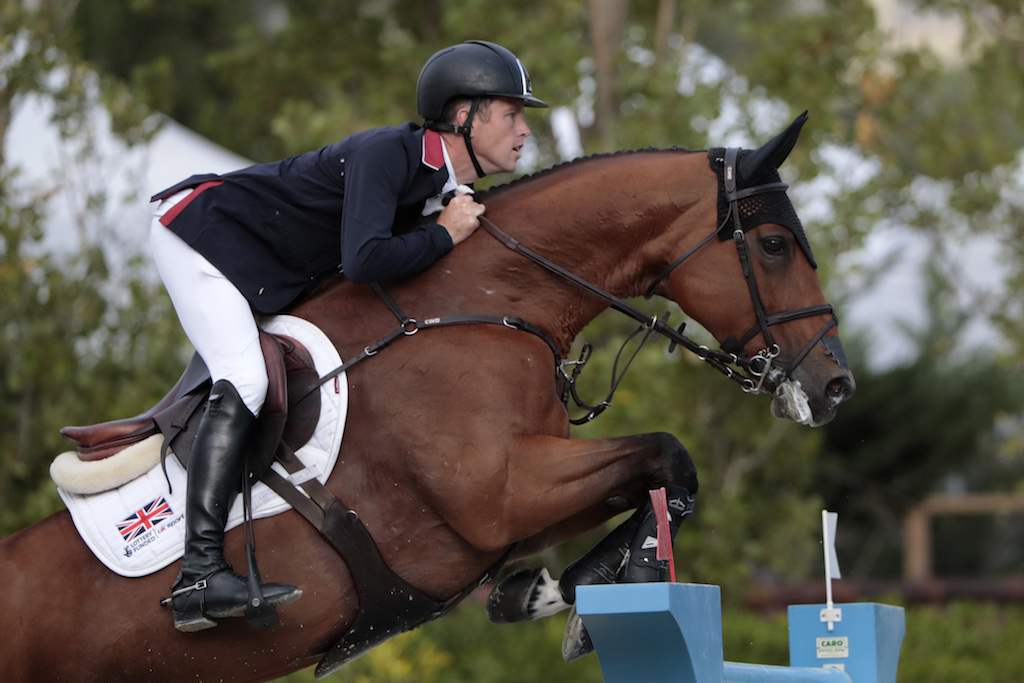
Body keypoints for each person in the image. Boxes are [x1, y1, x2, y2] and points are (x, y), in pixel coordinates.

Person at [152, 40, 548, 632]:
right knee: (246, 378)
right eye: (512, 114)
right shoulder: (389, 152)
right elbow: (363, 260)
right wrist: (443, 236)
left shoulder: (443, 190)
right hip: (203, 235)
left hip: (263, 270)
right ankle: (199, 575)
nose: (523, 130)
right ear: (465, 116)